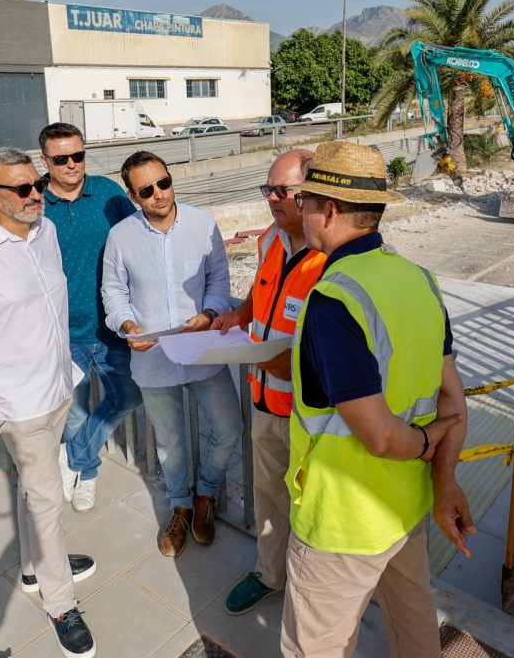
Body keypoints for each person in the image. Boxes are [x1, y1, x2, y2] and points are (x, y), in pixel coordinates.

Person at [280, 141, 476, 658]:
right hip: (405, 508)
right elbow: (454, 404)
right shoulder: (419, 281)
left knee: (313, 648)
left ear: (331, 209)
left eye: (304, 201)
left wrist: (426, 439)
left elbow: (384, 436)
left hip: (342, 520)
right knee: (414, 630)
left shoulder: (334, 300)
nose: (299, 211)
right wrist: (445, 478)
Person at [0, 148, 96, 658]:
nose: (37, 196)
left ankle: (34, 566)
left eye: (38, 185)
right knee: (48, 499)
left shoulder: (44, 232)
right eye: (23, 189)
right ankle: (60, 603)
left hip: (56, 385)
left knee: (36, 492)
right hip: (18, 400)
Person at [102, 150, 244, 557]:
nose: (159, 194)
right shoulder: (121, 236)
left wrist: (210, 312)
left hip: (202, 349)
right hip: (153, 355)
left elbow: (218, 276)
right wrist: (127, 326)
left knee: (229, 429)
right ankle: (181, 505)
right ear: (133, 195)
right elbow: (113, 292)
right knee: (170, 441)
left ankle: (207, 492)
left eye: (163, 182)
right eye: (146, 189)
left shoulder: (203, 224)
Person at [217, 149, 325, 616]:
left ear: (314, 195)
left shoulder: (333, 258)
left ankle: (315, 591)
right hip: (264, 401)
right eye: (269, 190)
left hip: (312, 415)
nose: (273, 200)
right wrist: (238, 315)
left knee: (317, 508)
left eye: (283, 191)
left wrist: (294, 365)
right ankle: (270, 573)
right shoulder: (269, 241)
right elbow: (262, 296)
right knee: (268, 494)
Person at [38, 122, 141, 514]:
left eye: (78, 156)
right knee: (74, 412)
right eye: (61, 159)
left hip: (112, 327)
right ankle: (90, 473)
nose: (71, 165)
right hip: (63, 333)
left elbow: (137, 239)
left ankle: (75, 458)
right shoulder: (36, 204)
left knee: (128, 396)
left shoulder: (110, 194)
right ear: (45, 160)